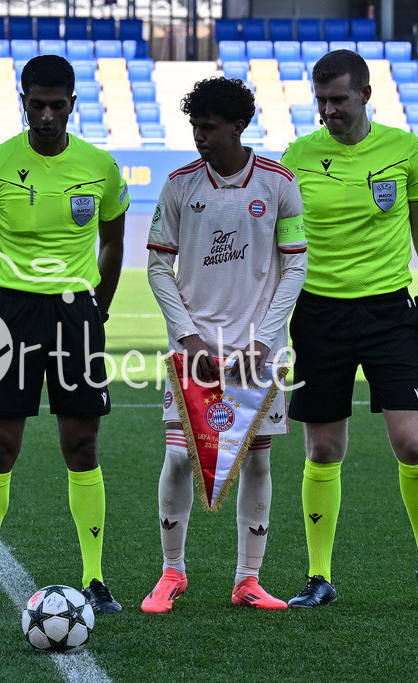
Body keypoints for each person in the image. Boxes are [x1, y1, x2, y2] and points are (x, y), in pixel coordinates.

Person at [279, 49, 418, 609]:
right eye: (321, 100)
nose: (329, 110)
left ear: (365, 94)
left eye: (339, 99)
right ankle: (319, 576)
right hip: (318, 315)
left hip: (388, 314)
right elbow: (278, 241)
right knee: (324, 448)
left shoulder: (404, 150)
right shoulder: (297, 156)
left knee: (411, 442)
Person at [0, 54, 129, 615]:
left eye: (58, 105)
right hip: (13, 313)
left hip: (76, 314)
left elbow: (113, 243)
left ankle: (96, 577)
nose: (48, 115)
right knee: (0, 445)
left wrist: (96, 310)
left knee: (81, 445)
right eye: (38, 104)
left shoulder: (100, 165)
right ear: (24, 103)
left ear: (73, 103)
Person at [143, 77, 307, 613]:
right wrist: (186, 335)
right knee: (178, 458)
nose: (199, 137)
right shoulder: (178, 185)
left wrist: (265, 340)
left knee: (257, 464)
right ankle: (172, 572)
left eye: (208, 127)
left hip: (256, 354)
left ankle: (248, 579)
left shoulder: (280, 184)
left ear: (239, 125)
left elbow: (296, 264)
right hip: (193, 351)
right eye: (195, 126)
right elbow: (157, 266)